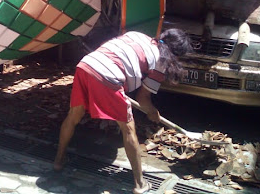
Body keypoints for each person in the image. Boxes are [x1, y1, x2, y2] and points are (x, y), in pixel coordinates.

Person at [53, 28, 193, 194]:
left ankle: (58, 161)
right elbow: (143, 99)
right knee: (128, 129)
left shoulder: (138, 35)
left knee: (74, 115)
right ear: (175, 53)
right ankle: (140, 184)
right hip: (109, 76)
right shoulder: (160, 63)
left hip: (86, 65)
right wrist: (152, 112)